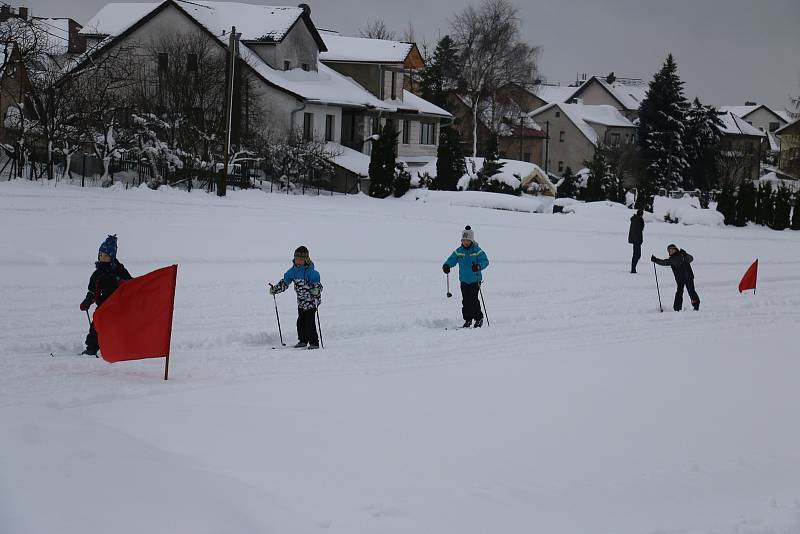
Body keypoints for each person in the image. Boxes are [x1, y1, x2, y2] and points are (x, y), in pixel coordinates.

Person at [79, 235, 133, 356]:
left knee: (118, 329)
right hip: (103, 307)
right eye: (100, 255)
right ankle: (91, 348)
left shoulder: (119, 270)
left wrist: (121, 281)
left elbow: (131, 285)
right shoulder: (96, 274)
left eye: (106, 256)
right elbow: (92, 291)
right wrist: (88, 300)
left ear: (112, 257)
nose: (102, 258)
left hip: (119, 307)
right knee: (96, 327)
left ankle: (121, 348)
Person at [269, 246, 323, 349]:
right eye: (297, 259)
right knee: (300, 322)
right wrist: (276, 289)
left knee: (309, 323)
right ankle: (303, 340)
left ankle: (314, 343)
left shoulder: (312, 273)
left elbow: (318, 285)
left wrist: (316, 290)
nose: (298, 261)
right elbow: (285, 282)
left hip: (311, 302)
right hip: (301, 302)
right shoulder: (292, 271)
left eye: (301, 259)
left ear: (306, 260)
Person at [443, 226, 490, 328]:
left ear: (471, 240)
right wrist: (447, 265)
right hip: (464, 280)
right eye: (463, 240)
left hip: (475, 280)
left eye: (468, 240)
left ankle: (478, 319)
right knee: (465, 301)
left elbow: (485, 261)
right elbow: (452, 259)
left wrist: (478, 266)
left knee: (473, 300)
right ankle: (468, 319)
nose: (465, 242)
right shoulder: (459, 251)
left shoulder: (477, 250)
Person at [651, 244, 700, 311]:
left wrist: (685, 254)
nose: (671, 251)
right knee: (679, 292)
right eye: (669, 250)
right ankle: (677, 308)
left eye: (672, 249)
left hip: (688, 276)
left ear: (675, 249)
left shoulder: (682, 255)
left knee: (691, 291)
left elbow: (691, 259)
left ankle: (696, 305)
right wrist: (656, 260)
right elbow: (664, 262)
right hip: (680, 279)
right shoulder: (671, 259)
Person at [628, 208, 645, 273]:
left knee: (636, 254)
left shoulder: (634, 219)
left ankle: (633, 268)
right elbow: (641, 229)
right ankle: (633, 269)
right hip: (637, 240)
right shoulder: (640, 220)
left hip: (634, 239)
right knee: (637, 255)